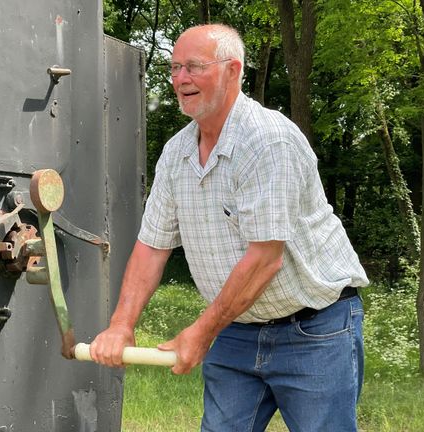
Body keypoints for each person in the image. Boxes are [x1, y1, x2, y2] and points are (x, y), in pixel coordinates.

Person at [89, 24, 369, 432]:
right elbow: (152, 247)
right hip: (237, 329)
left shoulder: (268, 141)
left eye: (194, 67)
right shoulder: (176, 154)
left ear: (233, 71)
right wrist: (121, 325)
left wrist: (201, 333)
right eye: (175, 67)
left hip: (315, 330)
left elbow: (265, 259)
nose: (181, 78)